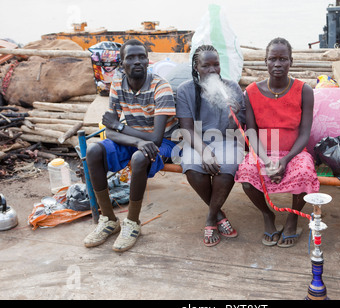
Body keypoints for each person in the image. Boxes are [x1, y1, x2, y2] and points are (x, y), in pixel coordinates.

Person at [83, 39, 178, 252]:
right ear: (121, 63)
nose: (137, 61)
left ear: (147, 60)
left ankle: (132, 222)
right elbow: (109, 130)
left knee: (139, 157)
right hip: (137, 140)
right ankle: (108, 219)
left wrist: (120, 127)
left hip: (167, 143)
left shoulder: (161, 87)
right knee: (93, 150)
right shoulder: (118, 83)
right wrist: (135, 140)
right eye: (131, 58)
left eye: (141, 57)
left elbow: (155, 138)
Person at [235, 37, 320, 248]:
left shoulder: (304, 90)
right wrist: (264, 159)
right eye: (273, 59)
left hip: (294, 151)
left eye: (283, 59)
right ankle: (267, 215)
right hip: (263, 150)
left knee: (304, 171)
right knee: (247, 174)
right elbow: (251, 130)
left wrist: (286, 159)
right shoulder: (252, 92)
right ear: (265, 61)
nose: (278, 64)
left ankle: (293, 219)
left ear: (291, 61)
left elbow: (304, 132)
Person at [175, 45, 245, 247]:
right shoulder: (185, 90)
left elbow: (236, 130)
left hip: (227, 139)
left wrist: (234, 113)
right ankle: (220, 214)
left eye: (216, 65)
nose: (212, 70)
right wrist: (204, 151)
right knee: (192, 167)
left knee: (227, 167)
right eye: (206, 65)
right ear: (196, 67)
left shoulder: (232, 88)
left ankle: (210, 217)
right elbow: (186, 129)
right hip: (197, 140)